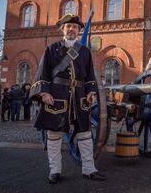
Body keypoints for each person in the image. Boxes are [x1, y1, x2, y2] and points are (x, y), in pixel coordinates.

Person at [29, 14, 106, 184]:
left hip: (80, 97)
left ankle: (89, 169)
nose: (72, 29)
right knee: (55, 134)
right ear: (62, 29)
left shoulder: (85, 51)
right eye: (68, 26)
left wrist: (91, 91)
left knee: (85, 134)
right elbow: (43, 72)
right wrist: (44, 93)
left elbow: (90, 75)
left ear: (79, 31)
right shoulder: (52, 48)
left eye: (75, 27)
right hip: (57, 95)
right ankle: (55, 170)